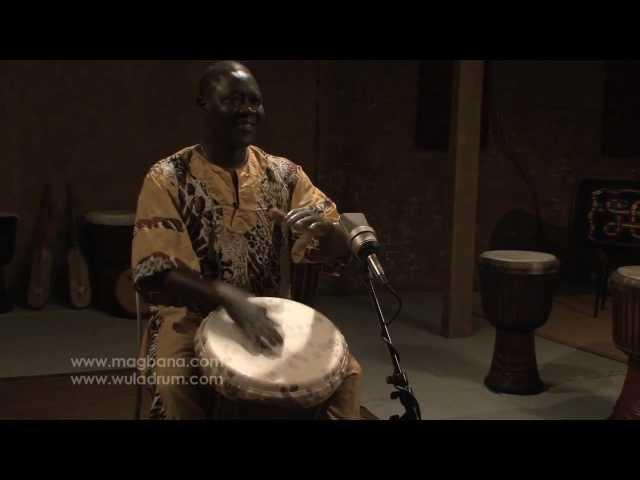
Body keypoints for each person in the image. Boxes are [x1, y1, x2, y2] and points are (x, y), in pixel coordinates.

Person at [132, 60, 363, 420]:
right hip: (190, 317)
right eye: (234, 100)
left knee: (345, 374)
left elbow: (334, 244)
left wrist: (330, 234)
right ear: (204, 104)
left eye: (254, 101)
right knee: (178, 382)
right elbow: (155, 271)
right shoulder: (167, 178)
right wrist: (229, 298)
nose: (248, 110)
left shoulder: (284, 175)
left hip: (271, 316)